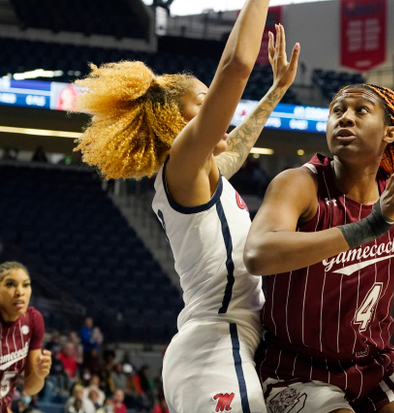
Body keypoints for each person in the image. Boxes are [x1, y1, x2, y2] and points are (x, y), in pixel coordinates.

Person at [71, 0, 300, 411]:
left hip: (227, 341)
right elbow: (235, 67)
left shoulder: (201, 176)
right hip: (214, 342)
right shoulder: (182, 165)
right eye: (205, 102)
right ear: (179, 126)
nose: (218, 110)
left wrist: (276, 91)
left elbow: (239, 147)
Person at [243, 84, 394, 412]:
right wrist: (370, 226)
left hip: (373, 364)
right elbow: (257, 254)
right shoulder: (300, 184)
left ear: (390, 132)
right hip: (296, 368)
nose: (345, 118)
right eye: (337, 111)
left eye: (360, 110)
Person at [0, 261, 51, 413]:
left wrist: (40, 374)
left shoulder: (34, 320)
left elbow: (30, 388)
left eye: (26, 285)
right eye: (10, 284)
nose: (20, 292)